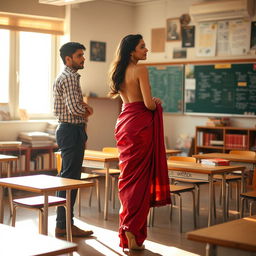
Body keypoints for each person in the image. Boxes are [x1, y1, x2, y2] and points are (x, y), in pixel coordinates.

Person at [109, 34, 171, 251]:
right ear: (131, 51)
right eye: (142, 47)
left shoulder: (118, 71)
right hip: (140, 127)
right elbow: (148, 104)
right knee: (140, 183)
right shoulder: (140, 70)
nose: (146, 50)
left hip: (124, 123)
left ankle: (128, 229)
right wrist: (156, 102)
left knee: (128, 179)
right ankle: (132, 232)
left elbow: (128, 100)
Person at [53, 42, 93, 237]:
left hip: (70, 129)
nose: (83, 58)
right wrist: (86, 110)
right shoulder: (70, 78)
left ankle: (64, 223)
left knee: (68, 179)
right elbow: (74, 108)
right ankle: (64, 225)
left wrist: (83, 106)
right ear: (68, 59)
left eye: (82, 55)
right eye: (79, 55)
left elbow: (75, 103)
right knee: (70, 180)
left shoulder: (68, 76)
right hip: (70, 130)